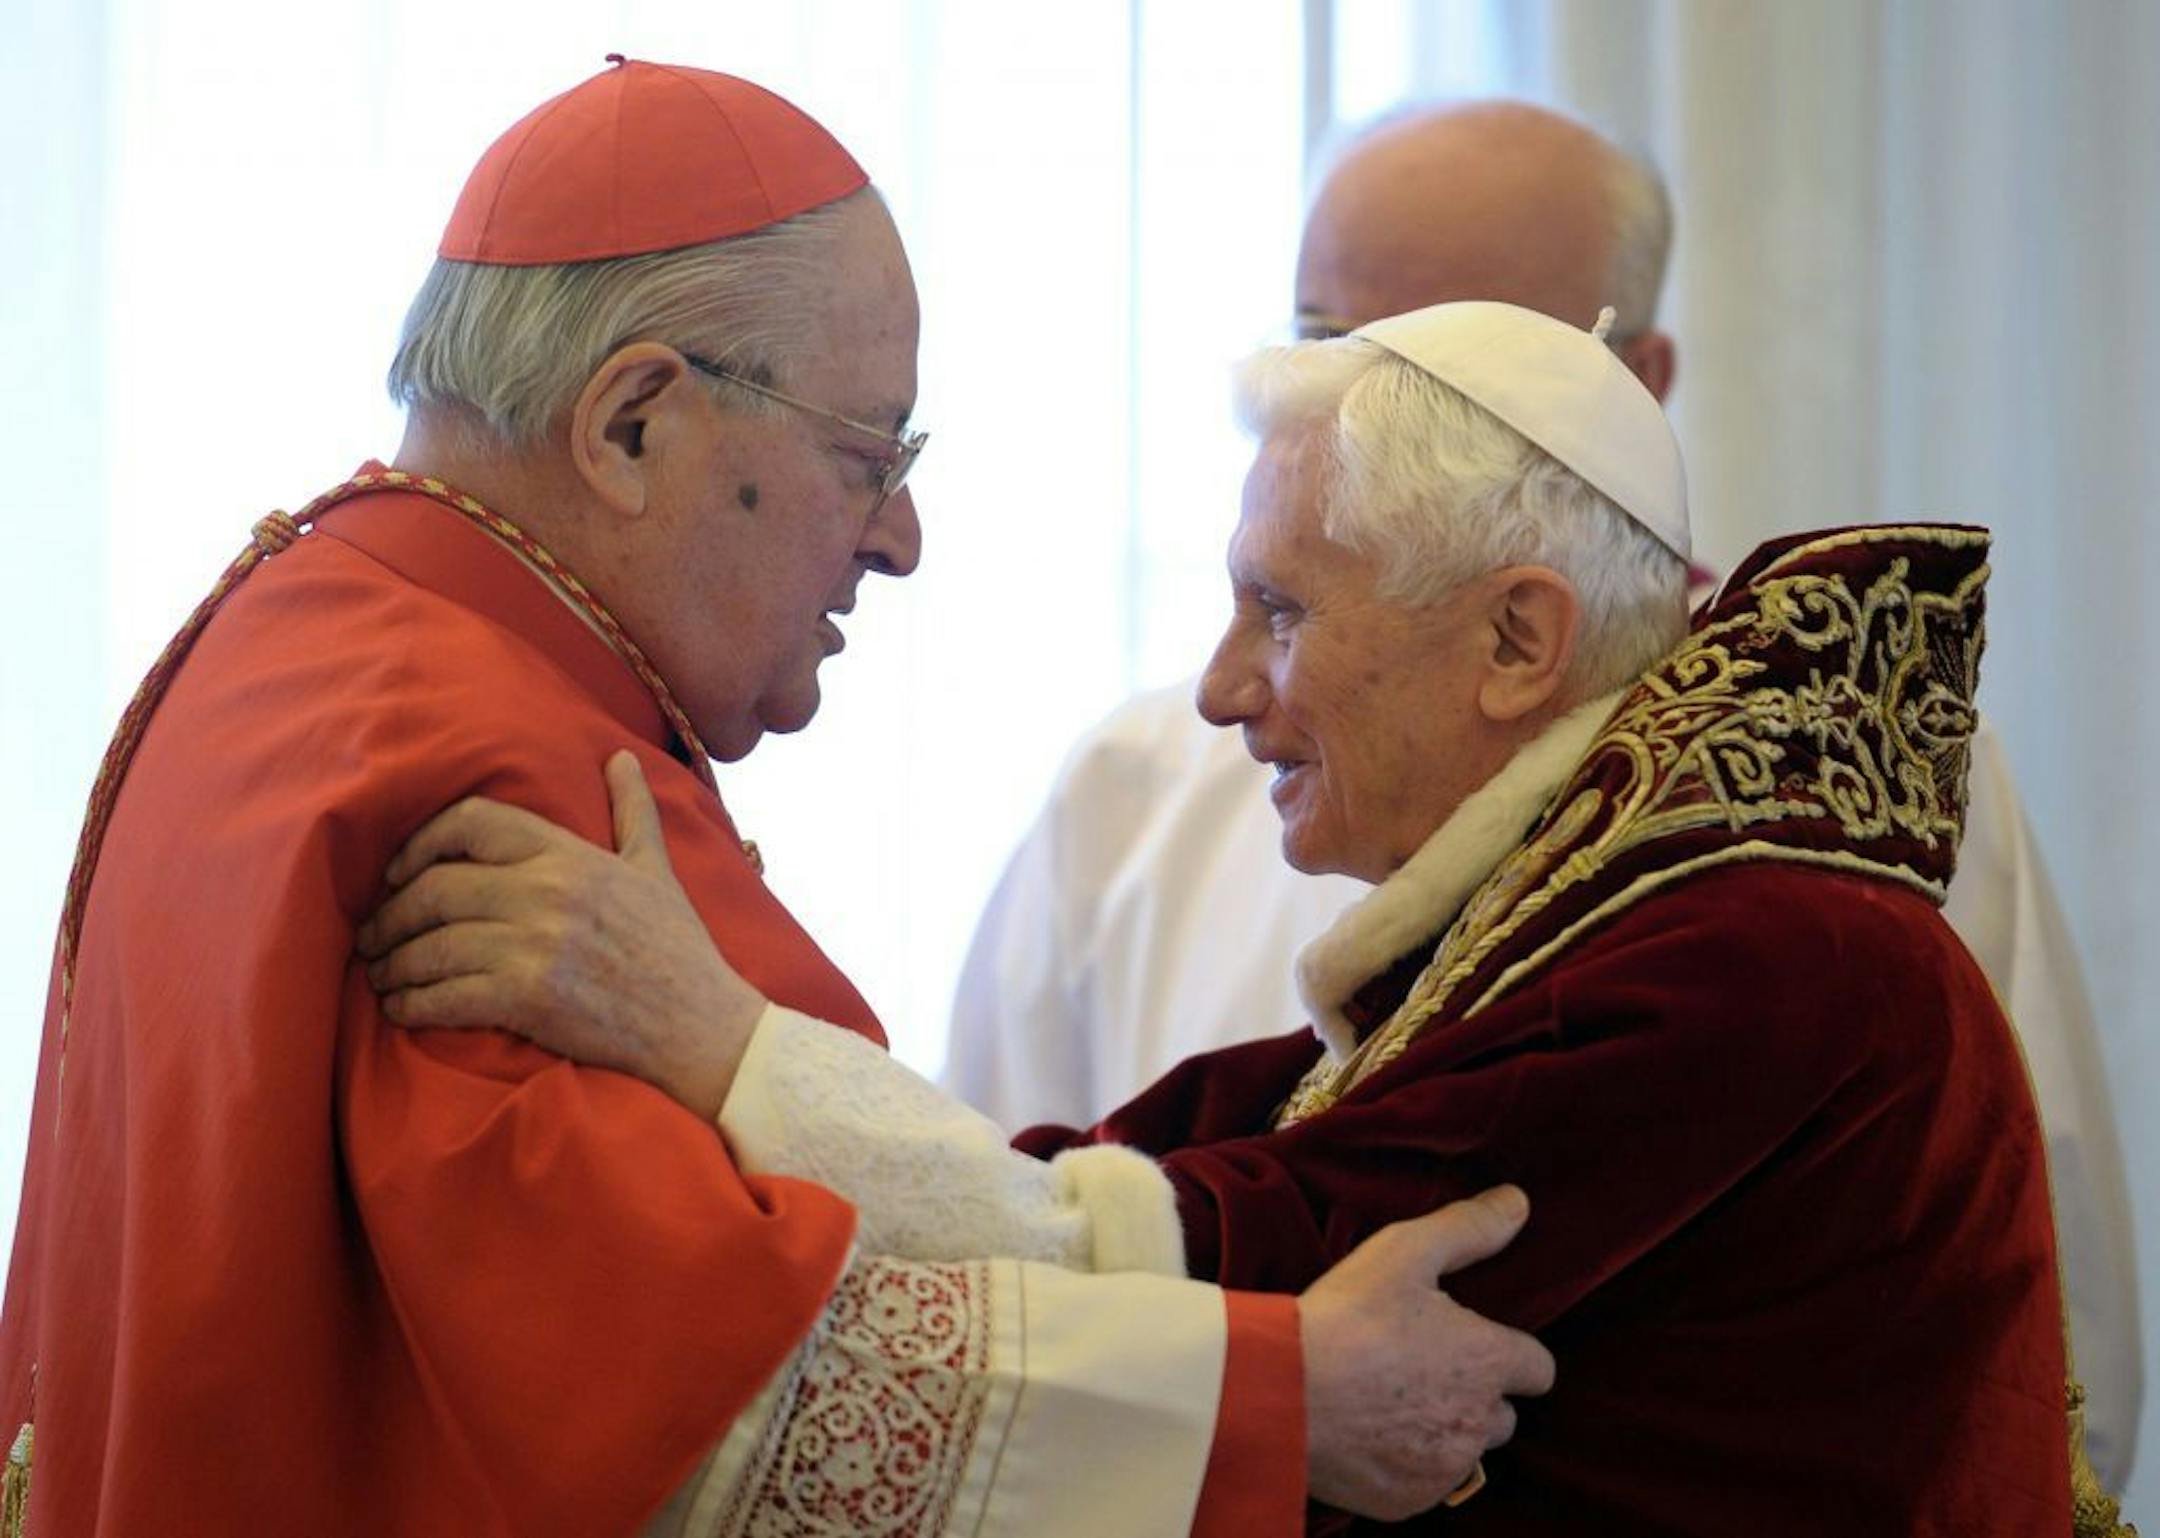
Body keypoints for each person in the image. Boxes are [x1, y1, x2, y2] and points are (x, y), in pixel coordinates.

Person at [0, 60, 1555, 1537]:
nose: (900, 539)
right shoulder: (484, 771)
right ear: (631, 424)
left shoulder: (304, 634)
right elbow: (683, 1396)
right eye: (868, 457)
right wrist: (1280, 1400)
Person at [360, 299, 2124, 1532]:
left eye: (1278, 610)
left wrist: (706, 1035)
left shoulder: (1767, 957)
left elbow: (1234, 1249)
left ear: (1518, 641)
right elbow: (1137, 1162)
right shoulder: (1575, 933)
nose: (1216, 693)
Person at [942, 99, 2144, 1486]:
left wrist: (749, 1087)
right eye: (1331, 336)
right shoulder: (1150, 781)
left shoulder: (1778, 896)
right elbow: (1089, 1179)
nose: (1224, 691)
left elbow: (2051, 1353)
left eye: (1456, 345)